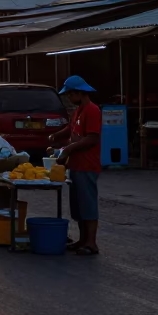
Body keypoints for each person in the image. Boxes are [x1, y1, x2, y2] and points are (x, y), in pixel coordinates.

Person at [49, 75, 102, 256]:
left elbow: (93, 137)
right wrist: (57, 136)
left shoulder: (92, 110)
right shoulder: (78, 111)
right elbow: (71, 129)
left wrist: (70, 148)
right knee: (78, 206)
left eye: (70, 95)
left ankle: (91, 243)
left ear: (79, 93)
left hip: (87, 165)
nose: (69, 99)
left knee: (88, 205)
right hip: (76, 165)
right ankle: (82, 240)